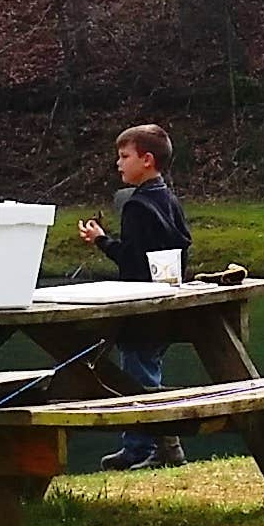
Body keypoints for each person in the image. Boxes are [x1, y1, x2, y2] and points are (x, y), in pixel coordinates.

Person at [76, 124, 196, 468]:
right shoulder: (169, 200)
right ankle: (136, 446)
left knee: (137, 377)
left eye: (124, 156)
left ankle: (154, 448)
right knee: (144, 369)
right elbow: (178, 246)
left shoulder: (137, 206)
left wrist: (101, 240)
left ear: (147, 160)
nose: (118, 164)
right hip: (166, 301)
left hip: (140, 306)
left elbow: (131, 258)